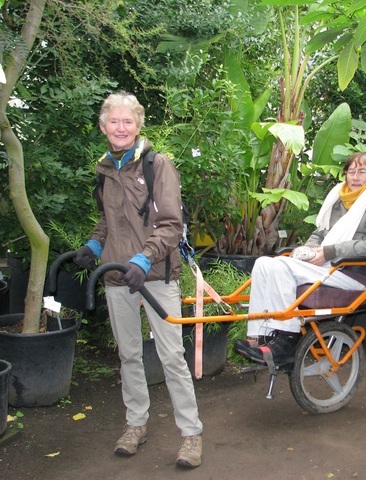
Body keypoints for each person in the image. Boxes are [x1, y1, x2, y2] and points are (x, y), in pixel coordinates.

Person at [74, 91, 203, 467]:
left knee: (171, 357)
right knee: (129, 355)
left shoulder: (157, 165)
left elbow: (170, 224)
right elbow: (108, 221)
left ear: (138, 125)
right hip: (117, 277)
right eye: (113, 121)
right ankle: (135, 425)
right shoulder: (104, 169)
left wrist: (144, 259)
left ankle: (191, 434)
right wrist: (94, 246)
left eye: (127, 121)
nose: (120, 127)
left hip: (156, 275)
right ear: (102, 127)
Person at [234, 152, 366, 367]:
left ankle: (286, 342)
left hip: (357, 273)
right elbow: (321, 234)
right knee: (264, 263)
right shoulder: (339, 200)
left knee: (281, 267)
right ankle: (263, 337)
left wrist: (329, 252)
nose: (355, 176)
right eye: (351, 171)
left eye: (362, 171)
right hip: (330, 266)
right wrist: (308, 249)